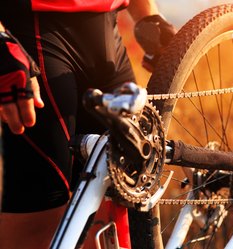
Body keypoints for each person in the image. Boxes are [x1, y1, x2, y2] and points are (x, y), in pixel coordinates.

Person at [0, 1, 175, 248]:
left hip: (109, 41)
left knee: (111, 225)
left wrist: (147, 15)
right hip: (35, 39)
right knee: (40, 224)